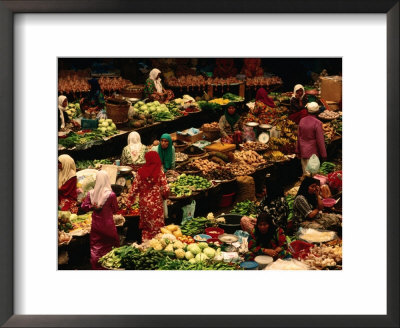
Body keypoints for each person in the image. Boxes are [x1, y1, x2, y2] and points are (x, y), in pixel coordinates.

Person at [81, 170, 120, 270]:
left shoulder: (91, 194)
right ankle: (110, 267)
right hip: (108, 225)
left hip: (96, 225)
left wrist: (93, 206)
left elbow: (84, 207)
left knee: (96, 247)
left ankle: (97, 268)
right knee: (111, 246)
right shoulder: (111, 195)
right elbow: (115, 209)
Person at [128, 151, 170, 241]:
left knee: (146, 227)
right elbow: (166, 189)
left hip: (144, 204)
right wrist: (165, 197)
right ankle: (157, 244)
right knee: (157, 226)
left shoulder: (140, 172)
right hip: (156, 204)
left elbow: (134, 189)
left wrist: (129, 203)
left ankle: (146, 243)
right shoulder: (160, 172)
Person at [295, 102, 327, 176]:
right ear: (317, 111)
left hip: (303, 151)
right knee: (313, 176)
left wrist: (297, 150)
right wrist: (324, 155)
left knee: (305, 175)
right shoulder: (317, 123)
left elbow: (299, 136)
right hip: (313, 154)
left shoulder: (302, 120)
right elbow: (320, 141)